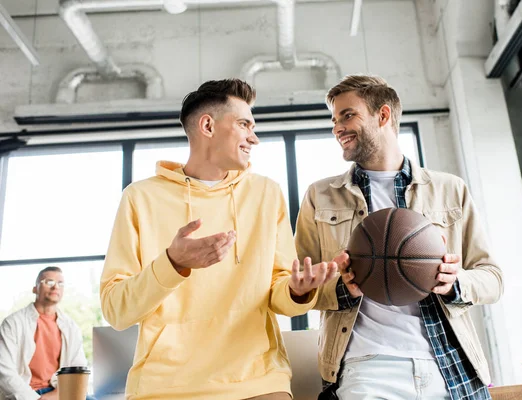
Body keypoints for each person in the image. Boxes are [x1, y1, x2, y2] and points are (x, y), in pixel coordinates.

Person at [100, 79, 337, 400]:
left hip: (258, 379)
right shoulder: (140, 197)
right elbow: (117, 311)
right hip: (166, 387)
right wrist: (172, 263)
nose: (254, 137)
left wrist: (298, 291)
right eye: (243, 124)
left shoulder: (266, 193)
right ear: (208, 125)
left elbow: (279, 293)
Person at [295, 75, 503, 400]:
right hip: (365, 367)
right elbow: (299, 286)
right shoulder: (320, 196)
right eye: (334, 119)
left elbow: (493, 279)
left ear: (383, 115)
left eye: (347, 115)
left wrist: (455, 283)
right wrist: (339, 288)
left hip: (449, 364)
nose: (337, 127)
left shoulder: (450, 189)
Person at [0, 266, 88, 400]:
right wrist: (36, 399)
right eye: (49, 282)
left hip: (58, 394)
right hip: (26, 394)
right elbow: (4, 371)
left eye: (60, 283)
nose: (55, 287)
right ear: (35, 288)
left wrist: (56, 395)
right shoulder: (12, 323)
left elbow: (78, 370)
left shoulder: (71, 327)